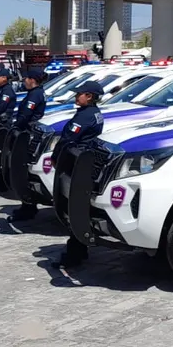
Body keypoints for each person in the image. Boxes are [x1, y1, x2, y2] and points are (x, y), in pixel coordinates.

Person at [53, 80, 105, 269]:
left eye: (79, 94)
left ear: (89, 96)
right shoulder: (93, 113)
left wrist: (56, 157)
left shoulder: (85, 116)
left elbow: (69, 139)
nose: (76, 96)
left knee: (74, 208)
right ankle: (78, 249)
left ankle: (74, 254)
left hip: (76, 163)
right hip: (82, 162)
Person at [8, 68, 48, 221]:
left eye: (26, 78)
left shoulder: (35, 94)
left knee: (23, 172)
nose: (24, 81)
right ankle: (28, 205)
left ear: (32, 80)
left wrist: (15, 127)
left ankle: (28, 206)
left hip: (27, 135)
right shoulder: (36, 92)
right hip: (28, 134)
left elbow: (25, 116)